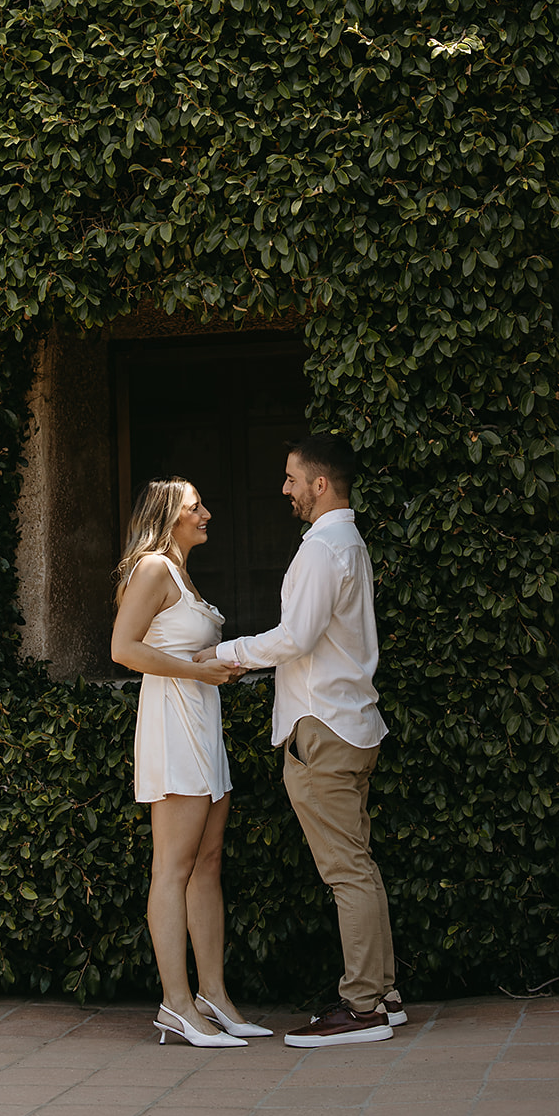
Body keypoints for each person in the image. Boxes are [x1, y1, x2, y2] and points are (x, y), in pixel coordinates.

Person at [194, 435, 404, 1047]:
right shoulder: (350, 544)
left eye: (291, 478)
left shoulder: (322, 549)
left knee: (346, 872)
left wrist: (224, 654)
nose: (283, 488)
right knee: (358, 866)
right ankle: (382, 995)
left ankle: (363, 1006)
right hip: (351, 724)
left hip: (324, 728)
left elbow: (295, 638)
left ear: (320, 484)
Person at [111, 476, 272, 1049]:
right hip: (174, 728)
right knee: (172, 869)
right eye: (194, 506)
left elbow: (175, 647)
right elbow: (122, 649)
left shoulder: (180, 573)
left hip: (204, 728)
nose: (206, 513)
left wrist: (211, 663)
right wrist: (199, 671)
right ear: (169, 516)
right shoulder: (154, 567)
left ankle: (214, 997)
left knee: (207, 864)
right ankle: (175, 1004)